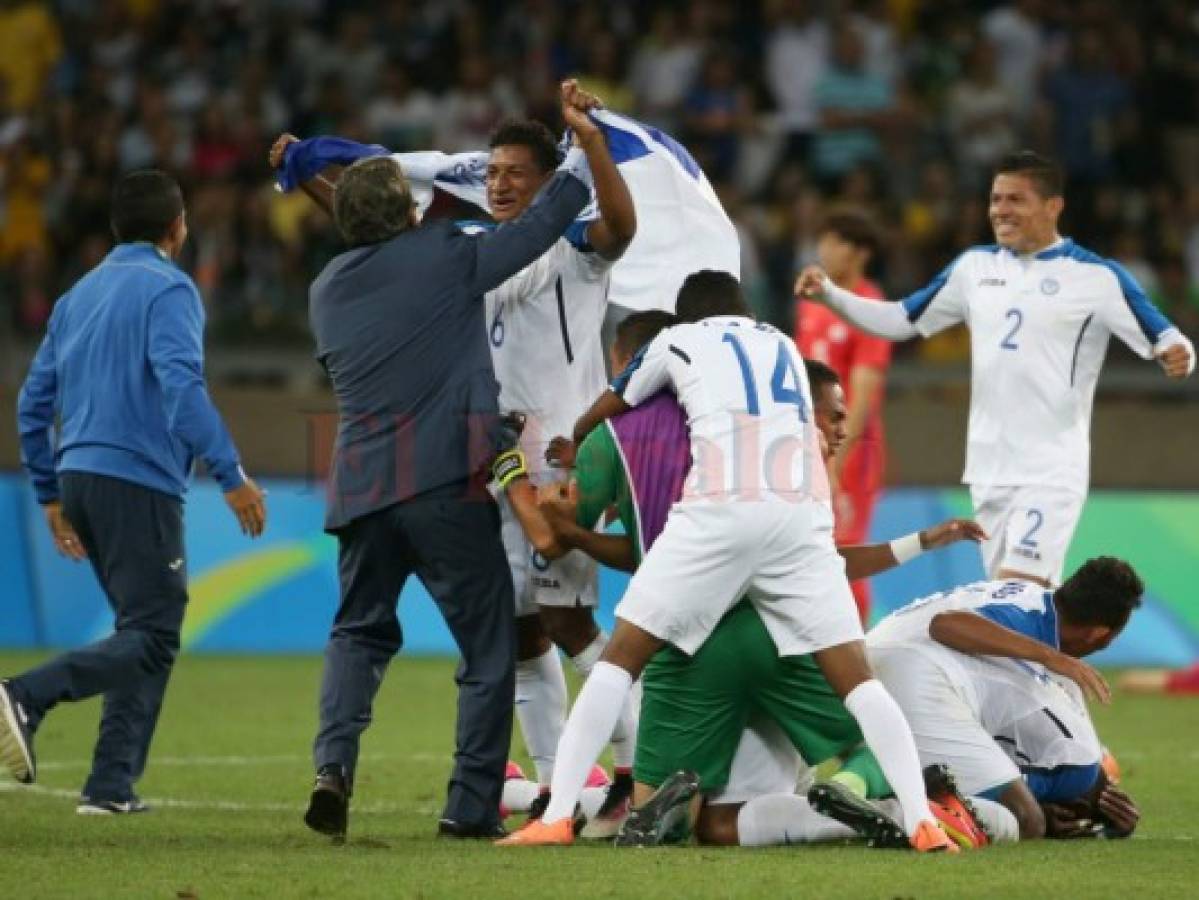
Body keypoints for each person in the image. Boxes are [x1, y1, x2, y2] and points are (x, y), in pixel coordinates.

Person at [270, 81, 640, 826]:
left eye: (514, 174)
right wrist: (314, 176)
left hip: (555, 459)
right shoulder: (458, 250)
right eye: (491, 172)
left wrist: (591, 147)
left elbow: (618, 227)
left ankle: (637, 772)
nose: (498, 183)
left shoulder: (572, 255)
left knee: (565, 626)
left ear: (543, 185)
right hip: (482, 461)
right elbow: (381, 247)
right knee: (513, 633)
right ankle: (551, 784)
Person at [498, 271, 955, 852]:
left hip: (719, 510)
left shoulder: (675, 341)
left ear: (688, 317)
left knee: (620, 660)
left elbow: (618, 397)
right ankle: (921, 820)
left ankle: (558, 816)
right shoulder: (785, 344)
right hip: (800, 516)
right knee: (858, 682)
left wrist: (575, 435)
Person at [795, 150, 1196, 587]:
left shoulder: (1096, 278)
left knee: (1016, 591)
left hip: (1051, 467)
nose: (1000, 211)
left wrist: (1178, 353)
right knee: (1012, 601)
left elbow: (1167, 336)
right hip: (989, 468)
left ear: (1052, 206)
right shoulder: (974, 269)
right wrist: (831, 295)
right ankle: (1048, 654)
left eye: (1015, 200)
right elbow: (899, 320)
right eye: (995, 199)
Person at [0, 170, 266, 814]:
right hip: (137, 480)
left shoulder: (76, 296)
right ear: (178, 227)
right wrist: (230, 475)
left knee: (140, 626)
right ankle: (24, 696)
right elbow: (182, 390)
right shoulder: (170, 290)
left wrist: (49, 494)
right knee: (152, 635)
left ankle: (111, 784)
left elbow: (31, 404)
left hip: (80, 477)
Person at [865, 557, 1143, 839]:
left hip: (863, 668)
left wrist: (1105, 805)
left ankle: (901, 790)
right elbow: (945, 625)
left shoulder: (1029, 603)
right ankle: (876, 811)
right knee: (1027, 820)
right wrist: (1051, 657)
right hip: (909, 671)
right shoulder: (1031, 629)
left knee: (1016, 798)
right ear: (1099, 634)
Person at [796, 208, 891, 623]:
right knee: (806, 547)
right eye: (823, 242)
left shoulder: (871, 308)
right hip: (807, 445)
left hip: (851, 447)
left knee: (844, 549)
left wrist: (837, 460)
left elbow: (864, 394)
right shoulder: (811, 305)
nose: (823, 251)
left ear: (859, 253)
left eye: (834, 243)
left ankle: (855, 652)